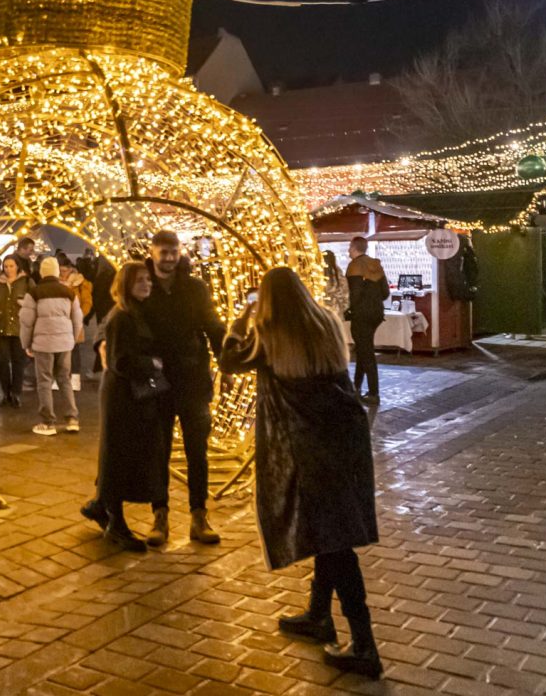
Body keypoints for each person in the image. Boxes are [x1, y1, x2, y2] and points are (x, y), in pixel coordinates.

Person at [220, 267, 381, 679]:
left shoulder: (270, 335)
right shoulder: (325, 321)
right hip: (345, 438)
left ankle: (365, 645)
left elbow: (228, 360)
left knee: (335, 543)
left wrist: (241, 318)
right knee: (330, 533)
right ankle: (317, 615)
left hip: (310, 450)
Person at [140, 230, 225, 546]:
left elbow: (212, 325)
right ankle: (159, 516)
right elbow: (124, 320)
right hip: (158, 381)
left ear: (180, 252)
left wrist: (227, 357)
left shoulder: (195, 288)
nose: (169, 257)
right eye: (163, 252)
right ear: (152, 252)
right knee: (157, 450)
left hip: (192, 380)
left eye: (173, 251)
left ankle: (199, 515)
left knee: (197, 451)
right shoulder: (143, 286)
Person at [80, 261, 170, 551]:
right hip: (122, 396)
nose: (147, 284)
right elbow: (121, 361)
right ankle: (115, 522)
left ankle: (102, 507)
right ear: (126, 285)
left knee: (122, 453)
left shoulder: (136, 312)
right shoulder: (122, 316)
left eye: (148, 280)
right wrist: (154, 364)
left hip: (134, 395)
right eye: (140, 280)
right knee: (116, 453)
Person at [20, 257, 83, 435]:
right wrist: (71, 338)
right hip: (65, 344)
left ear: (42, 272)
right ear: (56, 272)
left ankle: (48, 422)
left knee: (44, 382)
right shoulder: (69, 292)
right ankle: (72, 419)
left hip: (43, 344)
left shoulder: (34, 293)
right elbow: (77, 319)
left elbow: (26, 322)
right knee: (65, 380)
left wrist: (26, 343)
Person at [346, 237, 389, 405]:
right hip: (376, 313)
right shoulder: (376, 265)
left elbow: (354, 295)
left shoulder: (355, 266)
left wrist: (349, 310)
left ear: (355, 248)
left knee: (367, 353)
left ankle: (373, 392)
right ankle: (356, 388)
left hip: (361, 315)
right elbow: (385, 293)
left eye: (350, 247)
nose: (348, 250)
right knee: (363, 350)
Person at [0, 255, 31, 408]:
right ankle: (6, 393)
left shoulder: (26, 282)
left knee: (18, 362)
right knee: (2, 362)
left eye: (11, 266)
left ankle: (16, 393)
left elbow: (34, 301)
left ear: (18, 266)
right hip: (1, 326)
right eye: (6, 266)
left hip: (19, 327)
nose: (8, 269)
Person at [59, 256, 93, 391]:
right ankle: (61, 378)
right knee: (59, 350)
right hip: (59, 320)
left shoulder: (80, 283)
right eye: (60, 271)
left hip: (74, 320)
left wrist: (80, 315)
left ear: (71, 270)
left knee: (74, 350)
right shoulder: (56, 282)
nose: (62, 274)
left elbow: (87, 301)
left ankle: (75, 378)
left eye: (65, 271)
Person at [89, 256, 116, 375]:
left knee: (104, 340)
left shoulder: (102, 277)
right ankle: (101, 367)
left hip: (104, 312)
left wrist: (89, 315)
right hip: (114, 310)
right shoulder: (116, 275)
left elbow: (96, 298)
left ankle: (102, 367)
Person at [322, 250, 348, 320]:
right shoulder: (339, 275)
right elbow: (346, 296)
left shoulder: (318, 275)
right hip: (337, 312)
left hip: (322, 312)